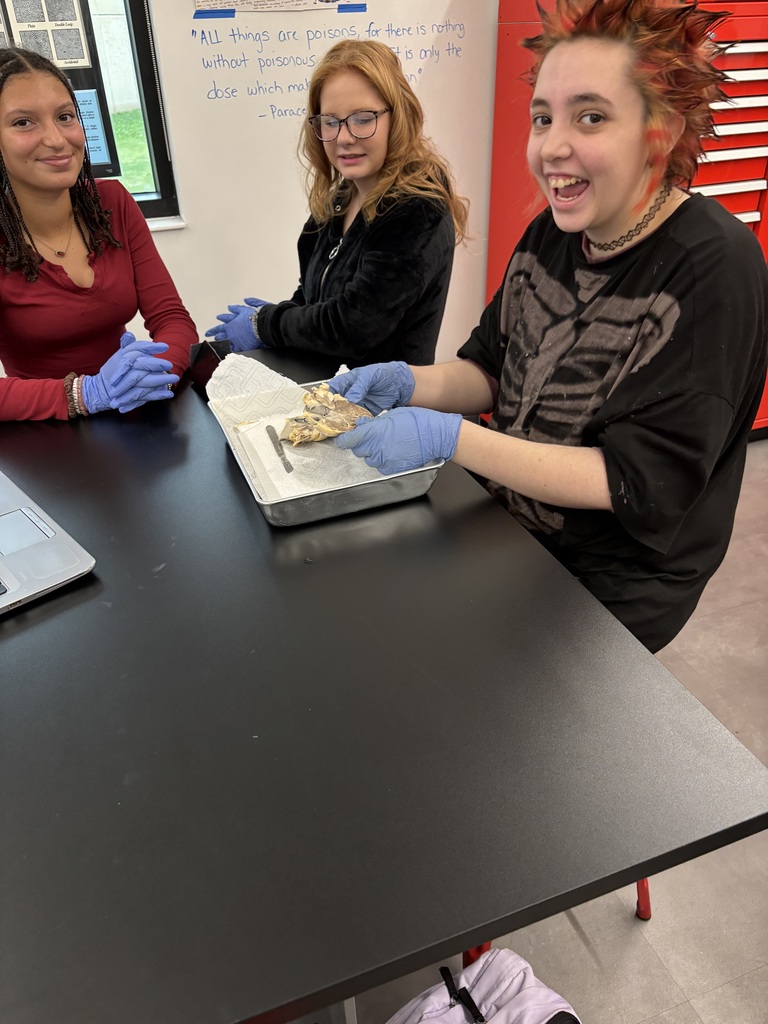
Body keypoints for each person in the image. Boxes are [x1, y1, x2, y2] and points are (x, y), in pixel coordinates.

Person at [326, 0, 768, 654]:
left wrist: (448, 439)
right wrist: (408, 382)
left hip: (608, 576)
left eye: (590, 116)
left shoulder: (713, 267)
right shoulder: (553, 232)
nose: (551, 145)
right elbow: (488, 370)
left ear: (664, 127)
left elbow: (634, 484)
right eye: (543, 117)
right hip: (510, 518)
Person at [205, 39, 468, 367]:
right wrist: (282, 320)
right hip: (329, 394)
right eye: (330, 121)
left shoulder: (418, 209)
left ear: (396, 116)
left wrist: (267, 323)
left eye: (362, 118)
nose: (344, 137)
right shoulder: (342, 198)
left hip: (389, 408)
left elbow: (352, 327)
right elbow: (313, 295)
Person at [0, 47, 197, 422]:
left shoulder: (112, 202)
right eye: (24, 122)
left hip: (136, 413)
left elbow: (171, 318)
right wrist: (85, 393)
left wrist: (155, 372)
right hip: (45, 435)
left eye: (65, 117)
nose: (57, 139)